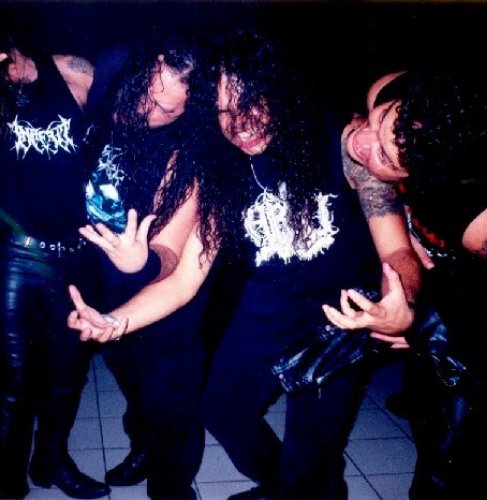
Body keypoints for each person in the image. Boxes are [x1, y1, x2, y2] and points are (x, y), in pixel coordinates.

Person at [67, 30, 422, 499]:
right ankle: (279, 484)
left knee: (311, 458)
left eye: (251, 102)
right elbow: (183, 280)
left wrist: (402, 302)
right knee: (222, 412)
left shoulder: (336, 141)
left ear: (277, 91)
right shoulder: (220, 172)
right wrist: (115, 321)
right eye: (223, 111)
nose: (240, 123)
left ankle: (299, 487)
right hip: (264, 313)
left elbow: (398, 253)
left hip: (342, 322)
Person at [329, 69, 487, 499]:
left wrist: (449, 333)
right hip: (442, 279)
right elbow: (397, 252)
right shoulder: (391, 90)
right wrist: (402, 304)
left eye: (385, 158)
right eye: (379, 119)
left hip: (486, 305)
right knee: (426, 409)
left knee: (459, 455)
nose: (362, 140)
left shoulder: (477, 219)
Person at [81, 34, 215, 499]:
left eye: (167, 110)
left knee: (171, 400)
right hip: (106, 285)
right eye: (147, 94)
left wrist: (143, 261)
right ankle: (143, 448)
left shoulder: (187, 155)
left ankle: (171, 486)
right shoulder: (113, 76)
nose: (147, 111)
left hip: (164, 296)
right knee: (132, 381)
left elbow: (172, 251)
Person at [0, 30, 110, 499]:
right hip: (16, 254)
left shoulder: (74, 71)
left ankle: (51, 462)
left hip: (76, 253)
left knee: (67, 373)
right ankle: (7, 482)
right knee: (12, 377)